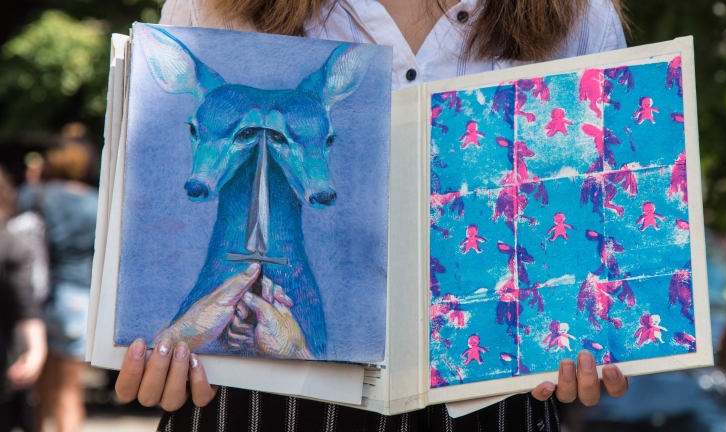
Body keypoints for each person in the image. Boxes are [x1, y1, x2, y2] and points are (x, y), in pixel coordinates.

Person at [115, 0, 631, 430]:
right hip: (249, 403)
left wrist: (596, 337)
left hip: (490, 407)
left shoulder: (580, 15)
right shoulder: (216, 5)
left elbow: (605, 235)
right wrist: (157, 354)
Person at [19, 134, 99, 432]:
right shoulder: (96, 203)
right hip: (78, 296)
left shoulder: (36, 194)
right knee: (68, 391)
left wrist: (33, 181)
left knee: (39, 394)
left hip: (38, 296)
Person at [0, 166, 47, 432]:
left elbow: (24, 305)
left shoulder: (12, 245)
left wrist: (35, 351)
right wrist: (36, 352)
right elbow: (25, 305)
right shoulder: (11, 244)